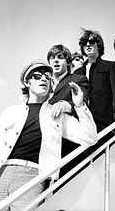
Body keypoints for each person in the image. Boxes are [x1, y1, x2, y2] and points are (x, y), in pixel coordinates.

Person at [0, 60, 97, 211]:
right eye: (37, 76)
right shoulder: (11, 112)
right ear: (27, 83)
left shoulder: (57, 115)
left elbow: (90, 138)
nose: (43, 79)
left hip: (32, 177)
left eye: (48, 77)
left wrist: (79, 105)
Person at [47, 44, 90, 177]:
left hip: (67, 144)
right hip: (45, 144)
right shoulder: (44, 83)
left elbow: (83, 101)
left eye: (60, 57)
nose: (55, 61)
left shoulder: (78, 79)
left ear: (68, 62)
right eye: (52, 58)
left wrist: (67, 105)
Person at [75, 29, 115, 133]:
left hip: (104, 120)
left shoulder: (110, 66)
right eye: (85, 43)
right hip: (82, 120)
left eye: (92, 42)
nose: (88, 45)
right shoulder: (77, 72)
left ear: (98, 45)